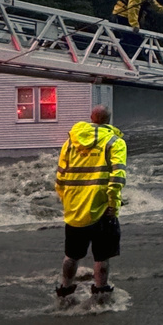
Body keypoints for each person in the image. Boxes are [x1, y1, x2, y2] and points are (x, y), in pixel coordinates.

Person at [54, 105, 126, 300]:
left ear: (91, 118)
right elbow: (117, 177)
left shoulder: (70, 142)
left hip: (75, 207)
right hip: (102, 208)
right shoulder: (115, 142)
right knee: (102, 256)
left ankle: (65, 289)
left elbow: (60, 176)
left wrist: (66, 200)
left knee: (71, 254)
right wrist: (113, 204)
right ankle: (101, 293)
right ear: (108, 120)